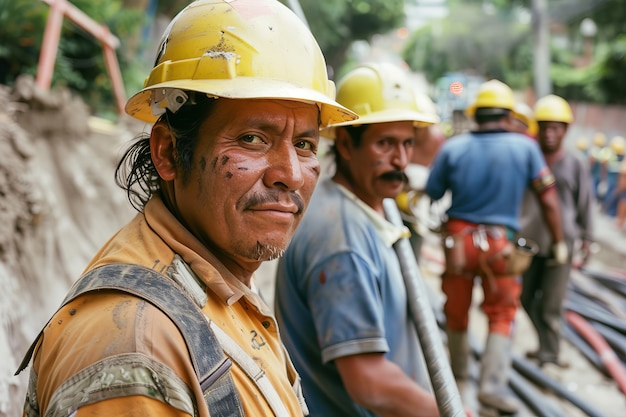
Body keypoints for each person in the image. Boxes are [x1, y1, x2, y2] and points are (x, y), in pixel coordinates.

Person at [15, 1, 358, 416]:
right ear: (169, 152)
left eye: (304, 144)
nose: (291, 174)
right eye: (252, 138)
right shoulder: (138, 346)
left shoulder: (217, 289)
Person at [274, 62, 441, 417]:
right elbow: (369, 382)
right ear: (347, 144)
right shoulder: (342, 242)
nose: (401, 159)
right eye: (385, 144)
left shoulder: (350, 205)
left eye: (408, 143)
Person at [424, 80, 566, 415]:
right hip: (502, 246)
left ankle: (459, 379)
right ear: (507, 114)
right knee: (502, 314)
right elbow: (548, 200)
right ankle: (492, 387)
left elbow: (431, 192)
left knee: (456, 310)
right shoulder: (526, 148)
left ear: (476, 115)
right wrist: (559, 242)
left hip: (459, 243)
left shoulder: (454, 148)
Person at [519, 94, 595, 368]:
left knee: (550, 303)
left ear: (565, 130)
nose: (550, 134)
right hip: (530, 241)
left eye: (556, 128)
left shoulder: (574, 164)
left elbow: (585, 203)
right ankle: (544, 345)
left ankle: (550, 353)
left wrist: (587, 239)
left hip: (561, 245)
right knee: (526, 298)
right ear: (536, 128)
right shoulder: (529, 159)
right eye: (545, 127)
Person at [396, 92, 445, 261]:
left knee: (412, 252)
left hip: (417, 208)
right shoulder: (400, 137)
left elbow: (439, 180)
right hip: (394, 204)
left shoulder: (436, 139)